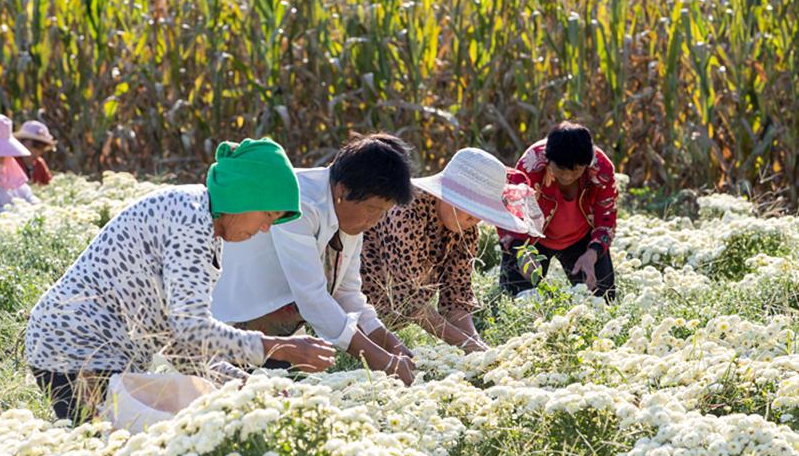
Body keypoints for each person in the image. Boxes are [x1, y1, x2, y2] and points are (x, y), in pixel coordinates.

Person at [25, 138, 336, 424]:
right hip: (75, 350)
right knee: (97, 453)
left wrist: (242, 385)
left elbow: (177, 340)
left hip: (84, 350)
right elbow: (191, 328)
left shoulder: (202, 220)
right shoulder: (192, 223)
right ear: (246, 196)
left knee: (114, 446)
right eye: (268, 214)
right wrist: (277, 347)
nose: (267, 228)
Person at [211, 133, 417, 384]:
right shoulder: (297, 202)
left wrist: (391, 344)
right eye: (372, 209)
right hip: (233, 318)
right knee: (240, 396)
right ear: (343, 190)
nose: (373, 221)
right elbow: (311, 297)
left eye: (382, 213)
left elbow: (346, 294)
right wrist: (379, 359)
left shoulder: (349, 217)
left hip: (278, 325)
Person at [361, 148, 543, 353]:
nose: (475, 219)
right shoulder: (407, 211)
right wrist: (469, 346)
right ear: (447, 195)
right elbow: (410, 302)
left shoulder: (467, 230)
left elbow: (456, 297)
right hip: (351, 309)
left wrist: (478, 345)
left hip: (385, 320)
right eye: (471, 206)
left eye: (482, 211)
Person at [498, 122, 618, 299]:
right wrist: (521, 252)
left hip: (581, 237)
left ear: (586, 165)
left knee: (602, 300)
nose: (567, 176)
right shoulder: (531, 165)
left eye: (576, 170)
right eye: (560, 169)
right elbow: (512, 214)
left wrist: (593, 253)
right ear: (548, 160)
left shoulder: (601, 170)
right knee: (514, 300)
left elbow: (606, 216)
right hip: (532, 238)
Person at [14, 120, 56, 185]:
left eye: (43, 146)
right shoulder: (11, 162)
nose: (38, 150)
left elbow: (49, 185)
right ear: (22, 142)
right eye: (36, 144)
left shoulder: (39, 164)